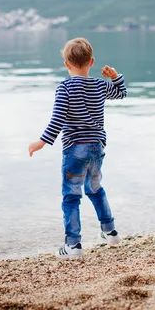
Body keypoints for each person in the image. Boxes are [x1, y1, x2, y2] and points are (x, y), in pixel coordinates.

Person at [28, 37, 127, 258]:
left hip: (75, 149)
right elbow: (121, 93)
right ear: (91, 62)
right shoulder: (100, 85)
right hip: (96, 147)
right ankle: (110, 232)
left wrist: (42, 141)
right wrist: (115, 77)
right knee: (95, 189)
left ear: (67, 64)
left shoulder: (65, 87)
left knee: (71, 195)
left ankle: (73, 245)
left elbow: (58, 118)